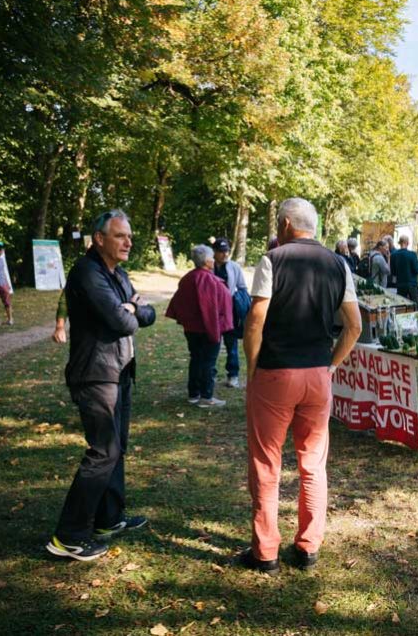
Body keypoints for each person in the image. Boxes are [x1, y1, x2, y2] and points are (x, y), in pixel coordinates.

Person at [240, 197, 362, 575]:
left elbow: (256, 320)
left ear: (287, 225)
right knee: (313, 465)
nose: (278, 229)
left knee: (266, 463)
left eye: (279, 223)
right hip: (316, 375)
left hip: (276, 372)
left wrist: (252, 367)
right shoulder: (338, 263)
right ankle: (308, 547)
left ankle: (266, 552)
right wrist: (330, 366)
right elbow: (354, 326)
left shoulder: (272, 259)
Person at [47, 209, 156, 562]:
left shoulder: (118, 274)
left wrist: (132, 308)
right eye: (120, 236)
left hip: (120, 370)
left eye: (129, 236)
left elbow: (146, 314)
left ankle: (108, 519)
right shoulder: (87, 273)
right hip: (95, 373)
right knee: (103, 450)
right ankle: (68, 536)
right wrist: (130, 311)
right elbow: (121, 321)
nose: (128, 242)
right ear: (99, 239)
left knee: (116, 447)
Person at [166, 245, 233, 407]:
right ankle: (206, 397)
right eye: (212, 258)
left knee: (196, 359)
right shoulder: (207, 279)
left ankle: (193, 393)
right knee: (208, 362)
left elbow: (178, 303)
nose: (214, 261)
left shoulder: (188, 277)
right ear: (208, 261)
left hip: (192, 329)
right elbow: (209, 309)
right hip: (207, 328)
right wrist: (214, 332)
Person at [212, 239, 248, 388]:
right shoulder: (208, 266)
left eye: (226, 251)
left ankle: (233, 375)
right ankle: (210, 375)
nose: (225, 254)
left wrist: (238, 301)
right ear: (214, 252)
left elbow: (242, 287)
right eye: (221, 251)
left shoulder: (234, 267)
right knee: (212, 343)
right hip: (213, 311)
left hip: (230, 312)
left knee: (231, 344)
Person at [390, 235, 418, 310]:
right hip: (412, 285)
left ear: (399, 243)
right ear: (407, 243)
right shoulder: (412, 254)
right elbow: (417, 270)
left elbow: (393, 272)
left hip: (400, 285)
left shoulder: (393, 255)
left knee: (401, 306)